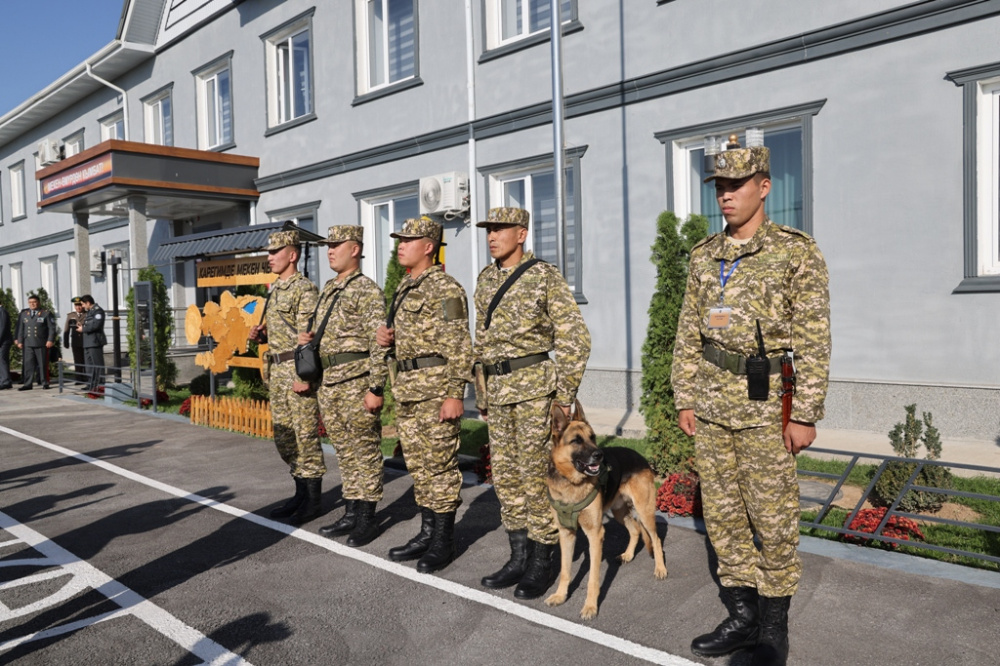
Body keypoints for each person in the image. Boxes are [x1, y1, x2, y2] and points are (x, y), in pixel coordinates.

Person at [671, 136, 831, 666]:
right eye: (720, 186)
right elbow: (688, 333)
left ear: (764, 187)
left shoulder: (795, 251)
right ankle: (741, 617)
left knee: (773, 517)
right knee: (723, 516)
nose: (726, 195)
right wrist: (684, 396)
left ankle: (772, 631)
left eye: (736, 185)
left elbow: (814, 338)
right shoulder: (705, 256)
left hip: (767, 408)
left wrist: (805, 413)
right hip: (713, 403)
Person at [472, 206, 591, 600]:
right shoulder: (486, 279)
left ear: (521, 234)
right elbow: (482, 343)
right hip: (500, 393)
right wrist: (483, 393)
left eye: (500, 230)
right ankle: (518, 555)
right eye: (489, 230)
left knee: (535, 477)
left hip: (535, 392)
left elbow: (575, 338)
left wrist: (564, 398)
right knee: (505, 477)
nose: (492, 236)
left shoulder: (543, 276)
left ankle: (544, 558)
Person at [376, 217, 472, 573]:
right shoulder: (405, 287)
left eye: (408, 239)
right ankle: (427, 532)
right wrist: (388, 338)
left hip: (435, 393)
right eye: (399, 239)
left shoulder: (446, 288)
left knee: (440, 465)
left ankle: (444, 541)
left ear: (429, 246)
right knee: (418, 465)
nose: (400, 244)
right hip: (409, 391)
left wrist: (454, 394)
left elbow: (460, 345)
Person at [298, 225, 387, 547]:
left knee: (364, 452)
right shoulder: (328, 290)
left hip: (355, 382)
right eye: (328, 246)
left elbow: (379, 345)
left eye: (337, 245)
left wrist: (376, 388)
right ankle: (351, 509)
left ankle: (367, 517)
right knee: (346, 453)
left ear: (355, 249)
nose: (330, 250)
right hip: (330, 383)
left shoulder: (366, 290)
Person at [248, 229, 324, 525]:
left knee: (305, 436)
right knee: (284, 437)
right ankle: (299, 492)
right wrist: (262, 334)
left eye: (274, 252)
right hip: (277, 371)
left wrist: (305, 377)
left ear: (292, 255)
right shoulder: (275, 289)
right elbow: (284, 329)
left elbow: (309, 337)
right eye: (268, 252)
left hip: (296, 370)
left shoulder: (304, 289)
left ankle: (313, 501)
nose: (269, 257)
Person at [15, 294, 57, 390]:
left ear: (38, 302)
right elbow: (21, 329)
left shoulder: (45, 313)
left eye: (34, 302)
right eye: (30, 302)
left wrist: (50, 340)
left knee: (42, 364)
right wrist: (20, 341)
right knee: (28, 364)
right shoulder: (24, 314)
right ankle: (28, 383)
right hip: (28, 343)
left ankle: (44, 382)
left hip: (41, 343)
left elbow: (52, 328)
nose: (32, 304)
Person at [78, 295, 107, 392]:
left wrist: (83, 329)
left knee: (97, 364)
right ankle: (91, 384)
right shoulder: (90, 312)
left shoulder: (98, 311)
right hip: (88, 342)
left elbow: (96, 325)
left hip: (95, 341)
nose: (82, 306)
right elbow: (90, 323)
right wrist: (82, 326)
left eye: (83, 304)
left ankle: (100, 384)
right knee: (89, 365)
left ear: (88, 303)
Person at [63, 297, 87, 384]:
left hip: (85, 341)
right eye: (76, 305)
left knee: (86, 360)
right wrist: (65, 342)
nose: (78, 307)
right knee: (77, 360)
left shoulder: (87, 314)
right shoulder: (71, 315)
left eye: (80, 305)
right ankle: (79, 378)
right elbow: (66, 329)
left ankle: (86, 377)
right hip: (75, 341)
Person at [0, 302, 13, 390]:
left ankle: (6, 381)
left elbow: (2, 327)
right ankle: (3, 380)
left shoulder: (2, 311)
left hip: (3, 341)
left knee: (1, 360)